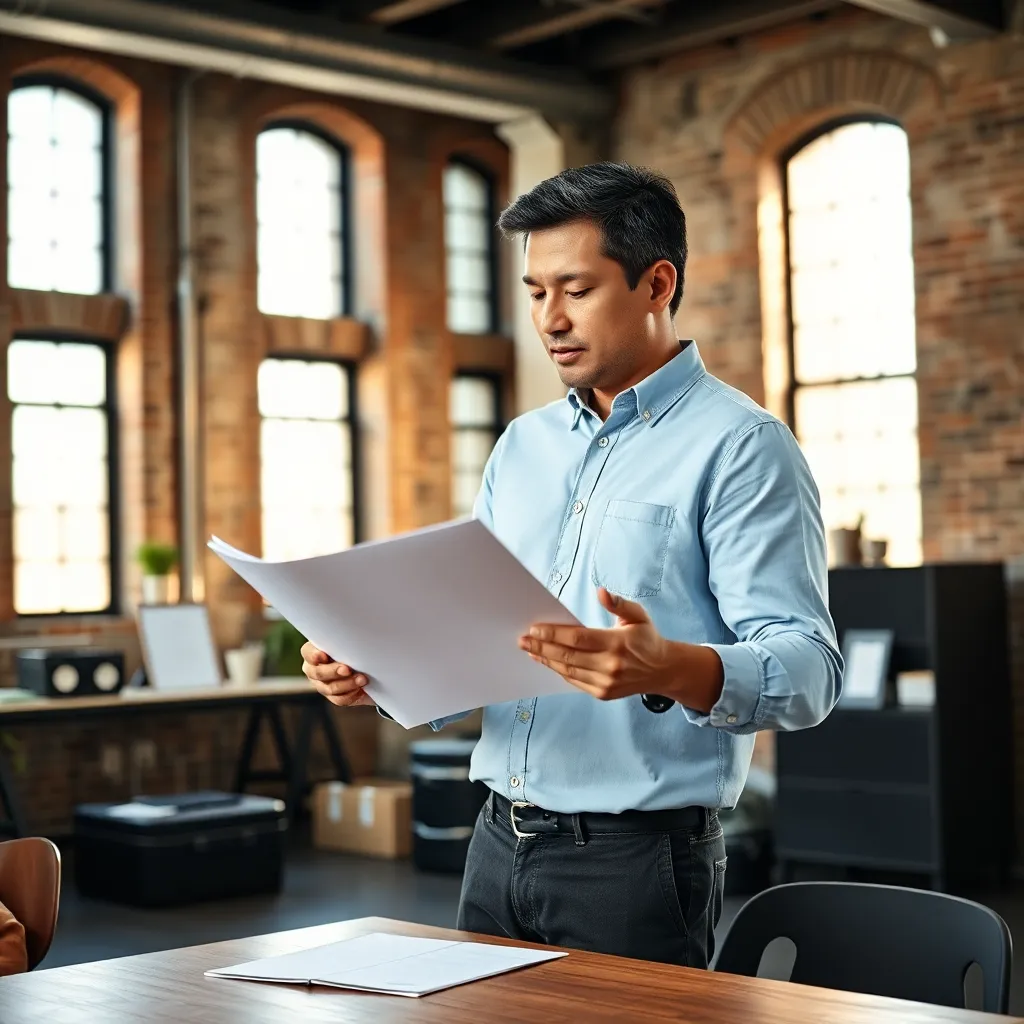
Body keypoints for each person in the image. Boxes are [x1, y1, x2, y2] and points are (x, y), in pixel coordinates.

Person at [302, 162, 842, 968]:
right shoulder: (522, 447)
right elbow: (474, 638)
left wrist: (672, 668)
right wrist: (374, 667)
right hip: (491, 845)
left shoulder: (742, 447)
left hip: (633, 866)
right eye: (534, 291)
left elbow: (811, 670)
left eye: (576, 289)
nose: (548, 319)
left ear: (657, 283)